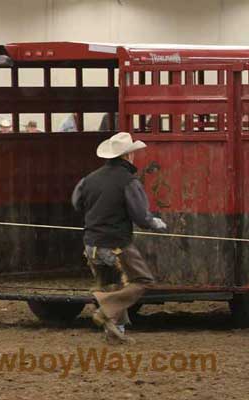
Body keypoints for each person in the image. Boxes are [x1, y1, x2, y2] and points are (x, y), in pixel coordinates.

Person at [71, 132, 168, 344]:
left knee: (113, 286)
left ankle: (116, 334)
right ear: (126, 156)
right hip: (115, 244)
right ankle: (105, 308)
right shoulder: (129, 181)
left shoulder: (88, 179)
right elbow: (141, 216)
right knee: (143, 281)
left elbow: (77, 203)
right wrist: (155, 223)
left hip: (90, 244)